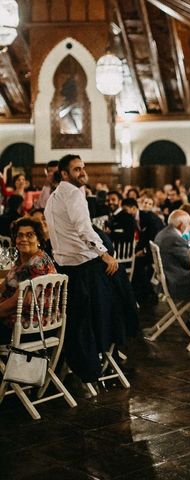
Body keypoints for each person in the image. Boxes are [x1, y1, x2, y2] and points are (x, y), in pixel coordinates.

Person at [45, 154, 119, 383]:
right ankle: (105, 355)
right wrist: (105, 254)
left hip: (66, 269)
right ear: (64, 174)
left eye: (83, 168)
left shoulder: (54, 196)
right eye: (77, 169)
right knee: (114, 306)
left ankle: (86, 361)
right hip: (84, 268)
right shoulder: (74, 194)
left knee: (76, 322)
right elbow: (83, 228)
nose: (83, 172)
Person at [0, 217, 57, 343]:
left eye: (30, 235)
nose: (24, 239)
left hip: (31, 326)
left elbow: (19, 302)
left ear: (39, 240)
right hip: (18, 321)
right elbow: (3, 287)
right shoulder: (23, 261)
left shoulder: (38, 264)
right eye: (20, 235)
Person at [153, 210, 190, 301]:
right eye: (187, 224)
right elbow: (189, 262)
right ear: (181, 225)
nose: (188, 227)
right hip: (176, 281)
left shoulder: (162, 233)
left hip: (167, 277)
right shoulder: (174, 238)